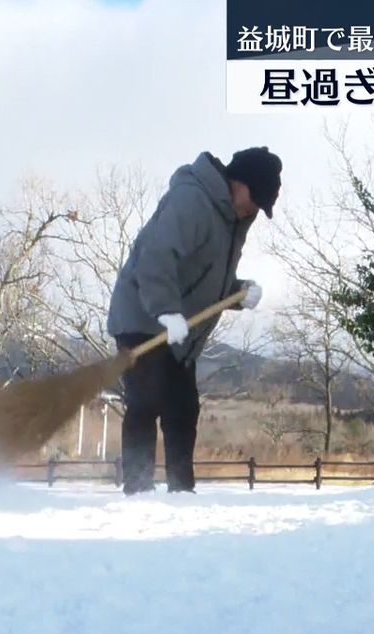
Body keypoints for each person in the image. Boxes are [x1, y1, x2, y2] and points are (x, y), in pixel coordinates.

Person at [106, 147, 282, 495]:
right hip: (143, 313)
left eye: (262, 206)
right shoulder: (193, 200)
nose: (254, 209)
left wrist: (238, 291)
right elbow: (156, 256)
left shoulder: (231, 220)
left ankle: (181, 493)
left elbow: (204, 280)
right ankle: (138, 490)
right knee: (146, 400)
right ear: (238, 182)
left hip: (176, 325)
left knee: (183, 407)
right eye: (255, 198)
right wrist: (165, 310)